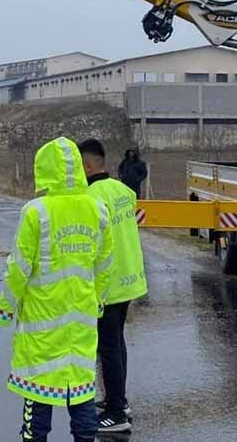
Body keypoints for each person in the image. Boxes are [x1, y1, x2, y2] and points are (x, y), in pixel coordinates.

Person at [0, 137, 114, 442]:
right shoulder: (98, 210)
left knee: (37, 409)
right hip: (82, 323)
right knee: (83, 400)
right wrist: (97, 301)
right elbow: (104, 264)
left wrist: (6, 308)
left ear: (44, 170)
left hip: (42, 329)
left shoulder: (37, 212)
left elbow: (18, 268)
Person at [78, 139, 147, 434]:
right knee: (116, 343)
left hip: (108, 284)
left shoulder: (90, 198)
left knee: (108, 347)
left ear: (87, 165)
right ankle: (118, 400)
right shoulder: (123, 191)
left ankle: (117, 413)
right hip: (130, 278)